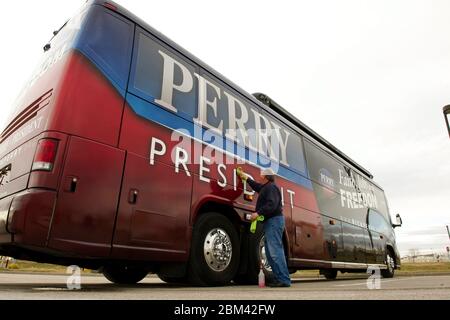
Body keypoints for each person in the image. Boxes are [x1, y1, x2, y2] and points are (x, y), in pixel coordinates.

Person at [236, 167, 291, 287]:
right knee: (271, 252)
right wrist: (245, 178)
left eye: (261, 174)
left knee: (275, 251)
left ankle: (284, 279)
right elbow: (257, 186)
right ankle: (279, 279)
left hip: (274, 221)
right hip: (270, 222)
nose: (260, 175)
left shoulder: (271, 187)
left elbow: (272, 204)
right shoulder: (266, 187)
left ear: (265, 176)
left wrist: (258, 213)